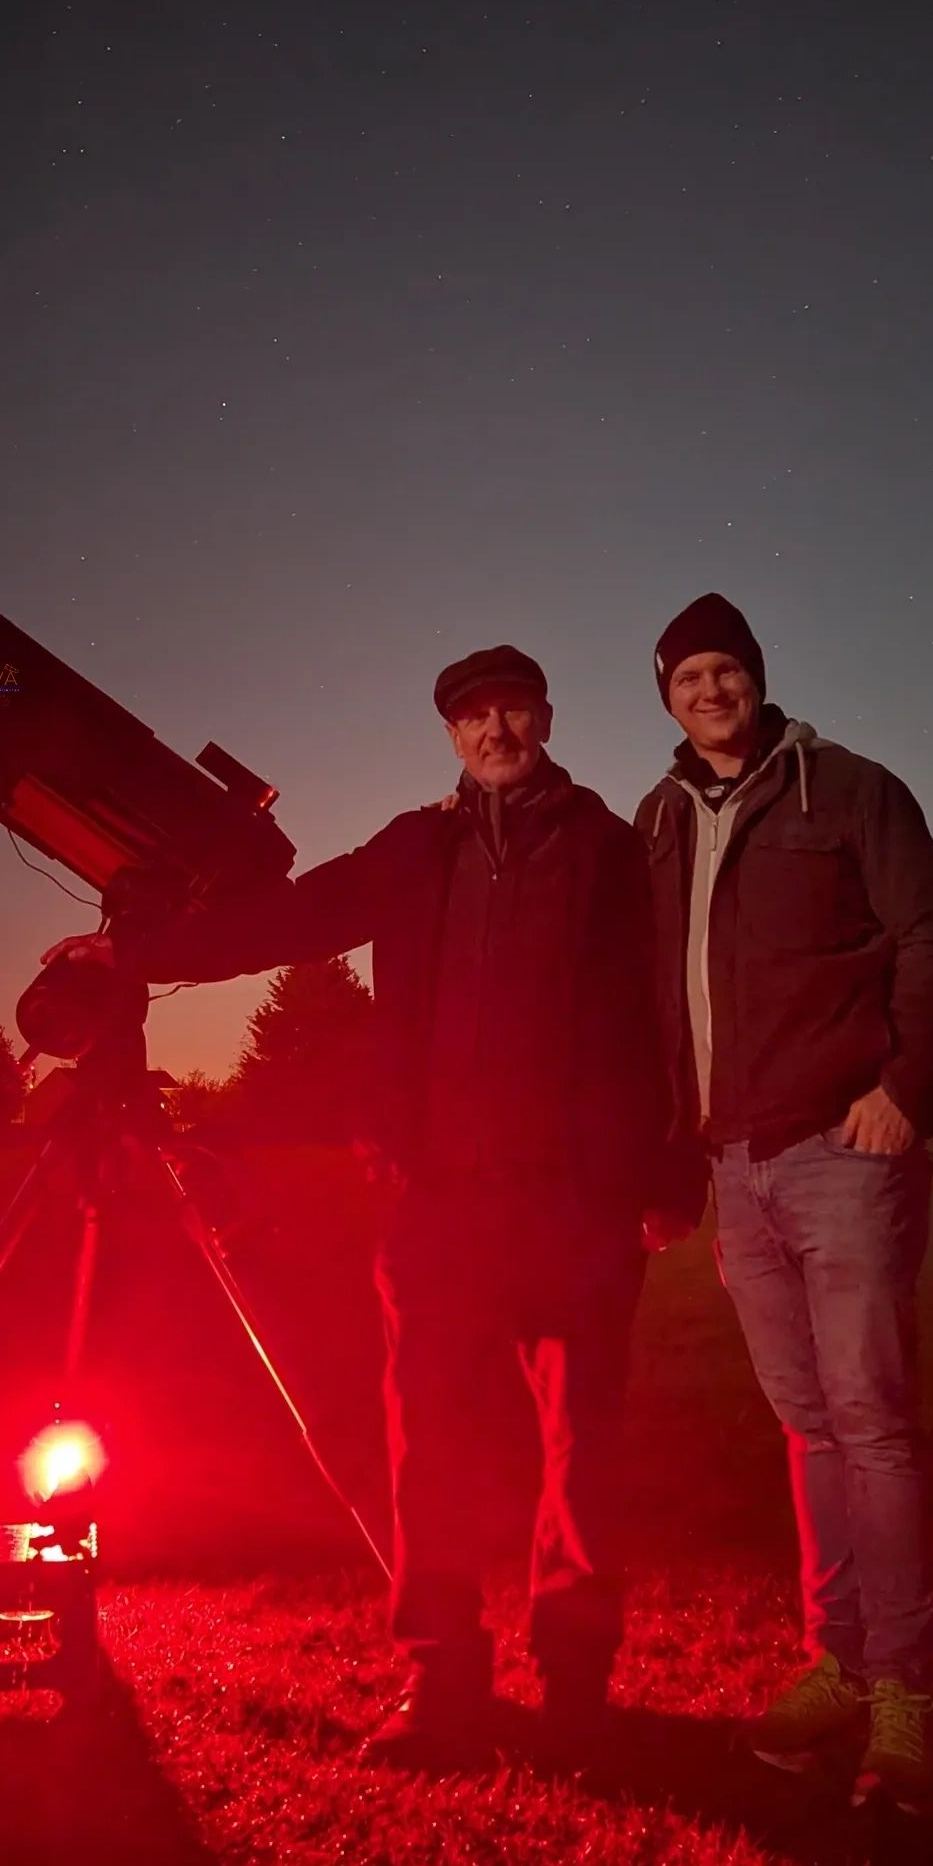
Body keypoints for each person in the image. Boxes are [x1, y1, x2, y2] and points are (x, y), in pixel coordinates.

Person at [83, 644, 703, 1764]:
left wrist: (668, 1172)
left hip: (576, 1204)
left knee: (583, 1450)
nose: (496, 731)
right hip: (442, 1204)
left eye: (513, 711)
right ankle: (443, 1681)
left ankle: (575, 1688)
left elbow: (668, 1012)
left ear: (545, 718)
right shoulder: (415, 847)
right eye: (474, 717)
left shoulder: (614, 852)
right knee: (432, 1453)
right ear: (451, 735)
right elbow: (287, 920)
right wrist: (132, 948)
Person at [634, 594, 933, 1812]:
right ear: (667, 696)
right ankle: (841, 1660)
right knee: (810, 1431)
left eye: (725, 669)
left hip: (841, 1148)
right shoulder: (657, 821)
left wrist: (904, 1090)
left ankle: (906, 1693)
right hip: (733, 1165)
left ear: (756, 677)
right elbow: (652, 1001)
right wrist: (669, 1159)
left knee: (871, 1425)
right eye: (687, 676)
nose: (710, 690)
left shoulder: (847, 790)